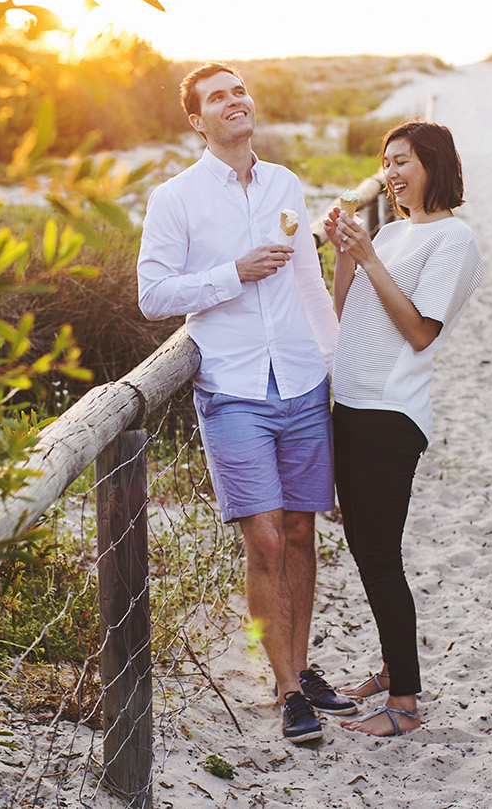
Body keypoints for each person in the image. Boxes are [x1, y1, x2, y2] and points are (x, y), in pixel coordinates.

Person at [137, 63, 356, 745]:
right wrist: (232, 274)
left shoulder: (286, 183)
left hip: (299, 380)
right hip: (231, 389)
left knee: (299, 533)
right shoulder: (175, 199)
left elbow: (310, 286)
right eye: (217, 97)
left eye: (239, 90)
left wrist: (337, 366)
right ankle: (288, 690)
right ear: (197, 121)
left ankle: (299, 661)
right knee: (262, 538)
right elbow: (153, 296)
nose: (235, 101)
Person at [323, 119, 483, 737]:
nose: (390, 174)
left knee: (382, 557)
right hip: (353, 403)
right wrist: (348, 255)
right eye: (385, 163)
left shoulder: (454, 240)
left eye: (402, 161)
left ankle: (407, 705)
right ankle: (393, 667)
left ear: (434, 164)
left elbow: (419, 331)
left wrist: (368, 256)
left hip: (394, 411)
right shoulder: (388, 236)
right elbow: (345, 314)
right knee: (364, 549)